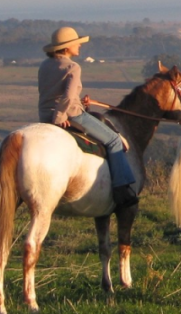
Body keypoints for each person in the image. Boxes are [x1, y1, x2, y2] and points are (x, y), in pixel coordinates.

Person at [38, 26, 138, 209]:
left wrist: (76, 104)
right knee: (115, 141)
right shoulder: (73, 67)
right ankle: (121, 189)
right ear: (67, 48)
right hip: (70, 115)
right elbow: (67, 98)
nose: (79, 47)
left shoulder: (45, 65)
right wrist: (59, 118)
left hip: (44, 115)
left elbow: (51, 94)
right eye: (76, 43)